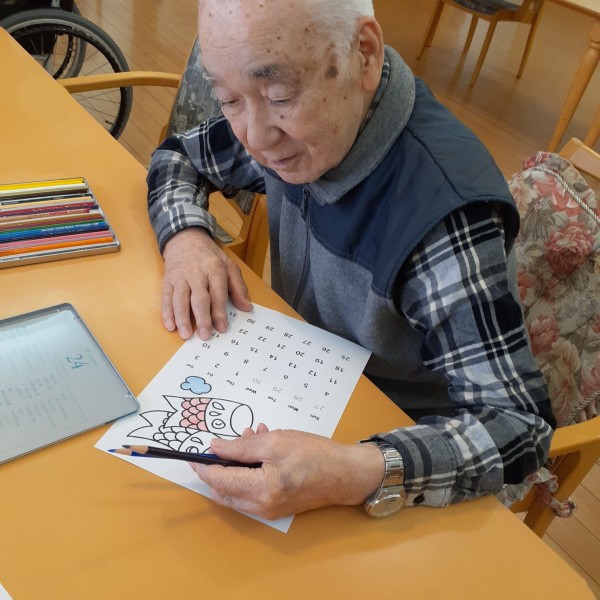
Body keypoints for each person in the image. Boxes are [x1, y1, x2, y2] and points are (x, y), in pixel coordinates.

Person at [147, 0, 555, 520]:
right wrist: (187, 239)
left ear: (364, 54)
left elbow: (519, 426)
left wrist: (357, 470)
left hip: (397, 446)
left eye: (279, 97)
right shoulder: (298, 123)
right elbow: (178, 157)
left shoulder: (442, 216)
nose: (254, 136)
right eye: (228, 99)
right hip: (301, 378)